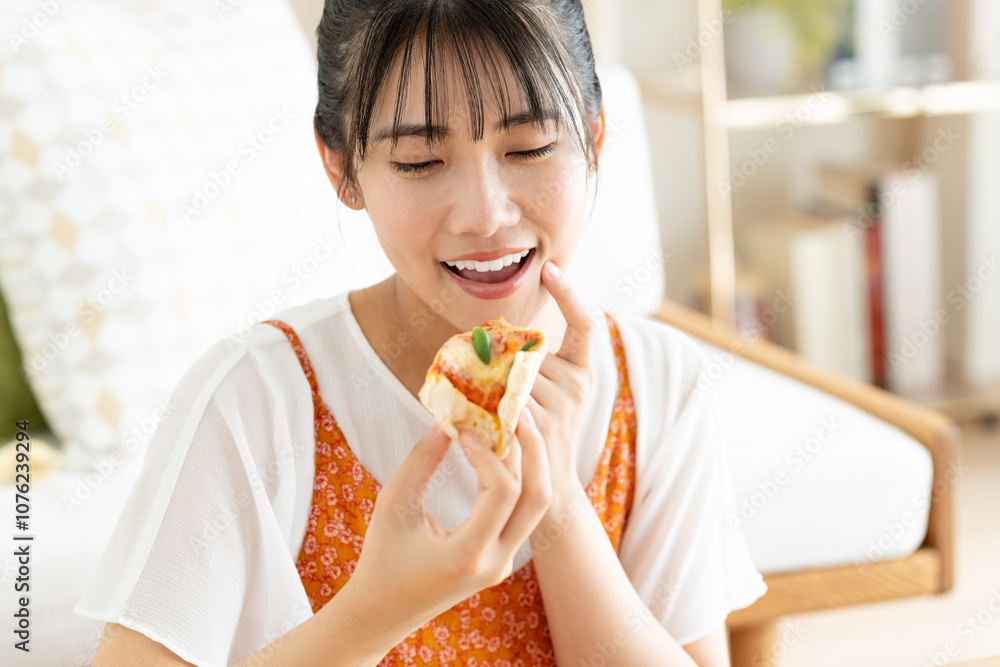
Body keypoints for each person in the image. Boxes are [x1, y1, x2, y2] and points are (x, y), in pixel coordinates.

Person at [76, 1, 766, 665]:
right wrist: (372, 612)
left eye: (528, 146)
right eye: (419, 161)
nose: (486, 214)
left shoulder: (657, 384)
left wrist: (556, 503)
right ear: (341, 168)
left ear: (595, 137)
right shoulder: (256, 400)